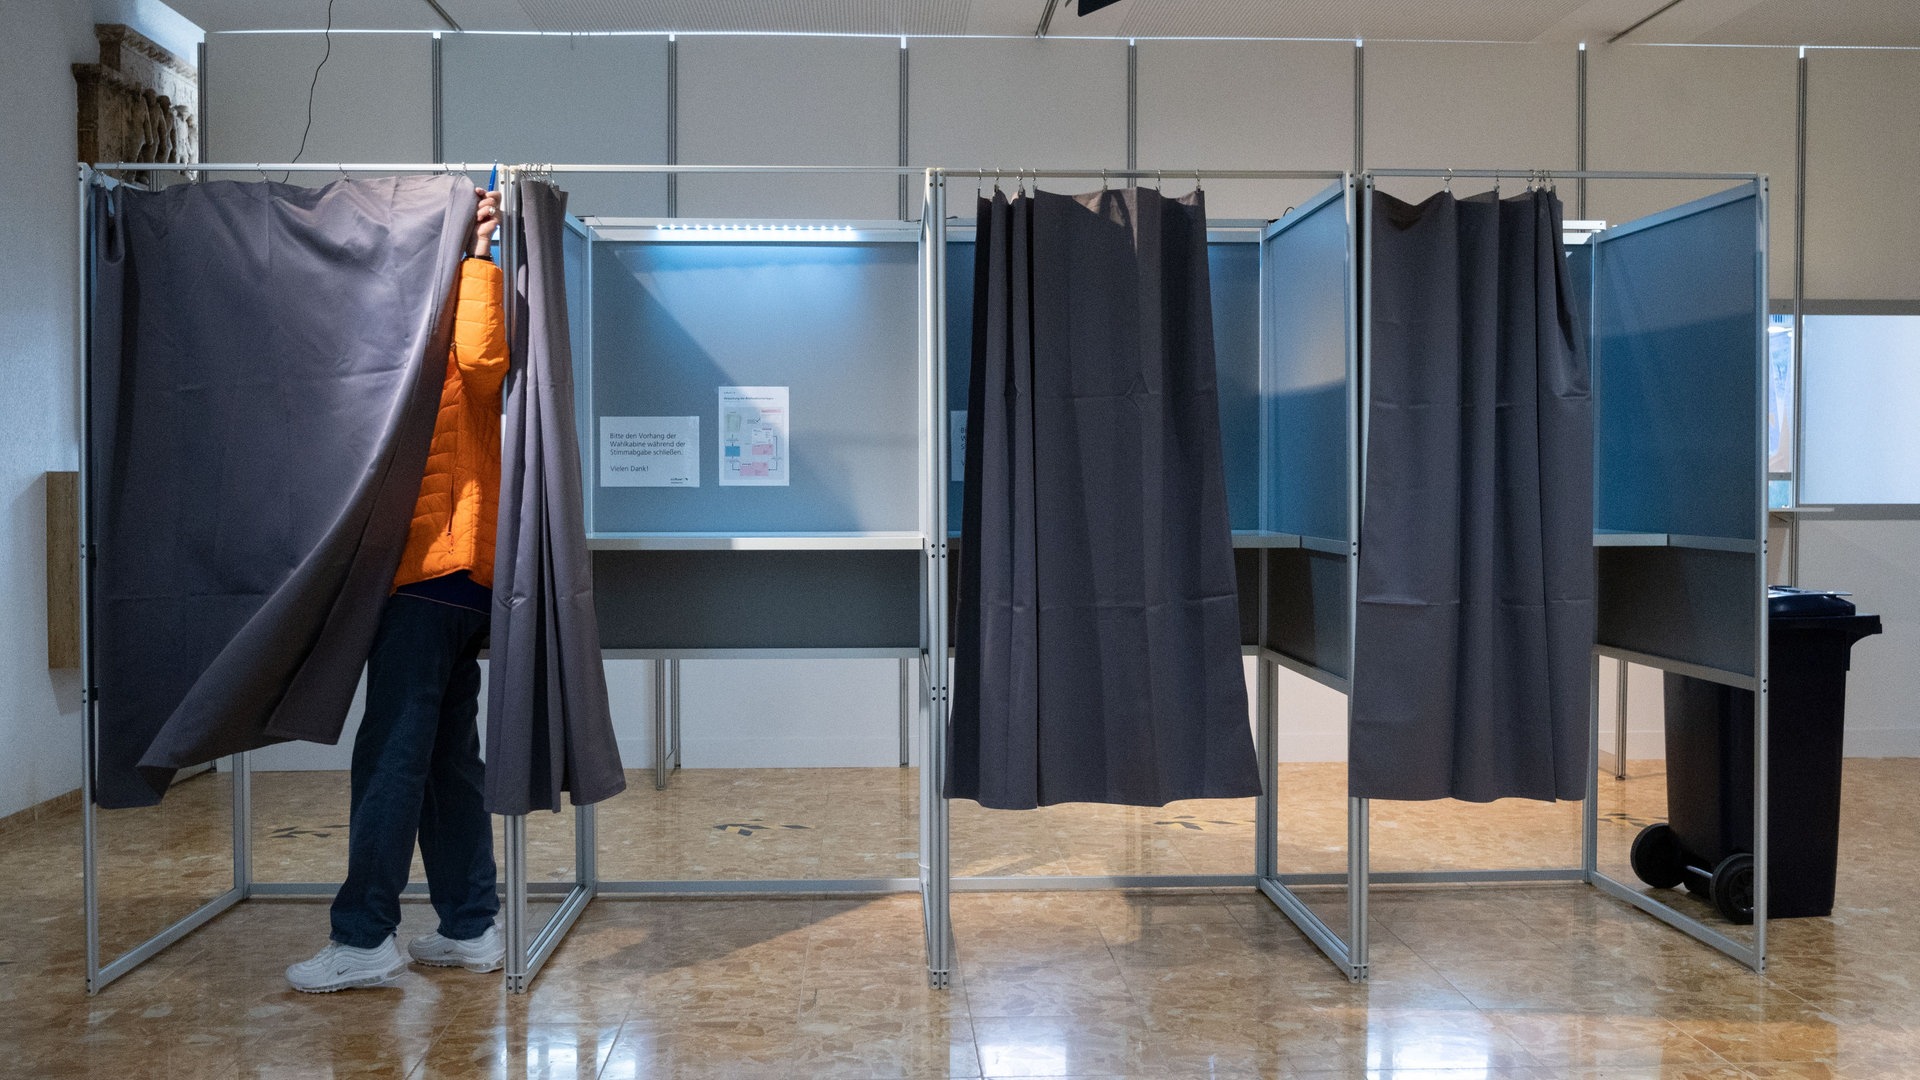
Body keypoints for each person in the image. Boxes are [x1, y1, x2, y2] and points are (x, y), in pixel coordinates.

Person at [287, 186, 509, 992]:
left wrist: (477, 257)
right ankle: (470, 925)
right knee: (446, 756)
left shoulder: (453, 317)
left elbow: (486, 364)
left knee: (391, 754)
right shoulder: (399, 330)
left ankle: (364, 936)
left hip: (436, 571)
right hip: (438, 575)